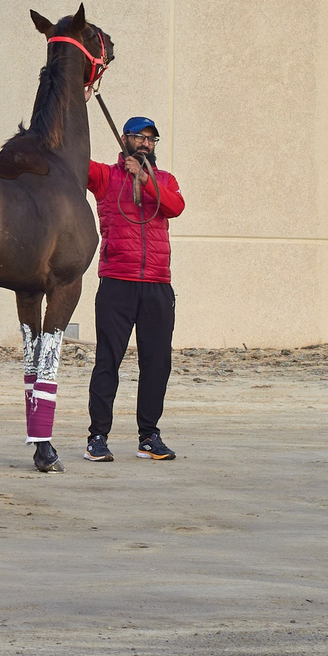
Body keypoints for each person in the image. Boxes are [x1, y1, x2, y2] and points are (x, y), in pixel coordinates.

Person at [84, 115, 185, 463]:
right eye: (138, 137)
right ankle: (97, 437)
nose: (145, 143)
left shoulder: (165, 180)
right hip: (117, 281)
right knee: (108, 361)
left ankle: (149, 436)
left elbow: (175, 207)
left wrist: (144, 177)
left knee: (157, 363)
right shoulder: (105, 177)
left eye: (151, 139)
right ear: (123, 140)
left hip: (158, 283)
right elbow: (76, 162)